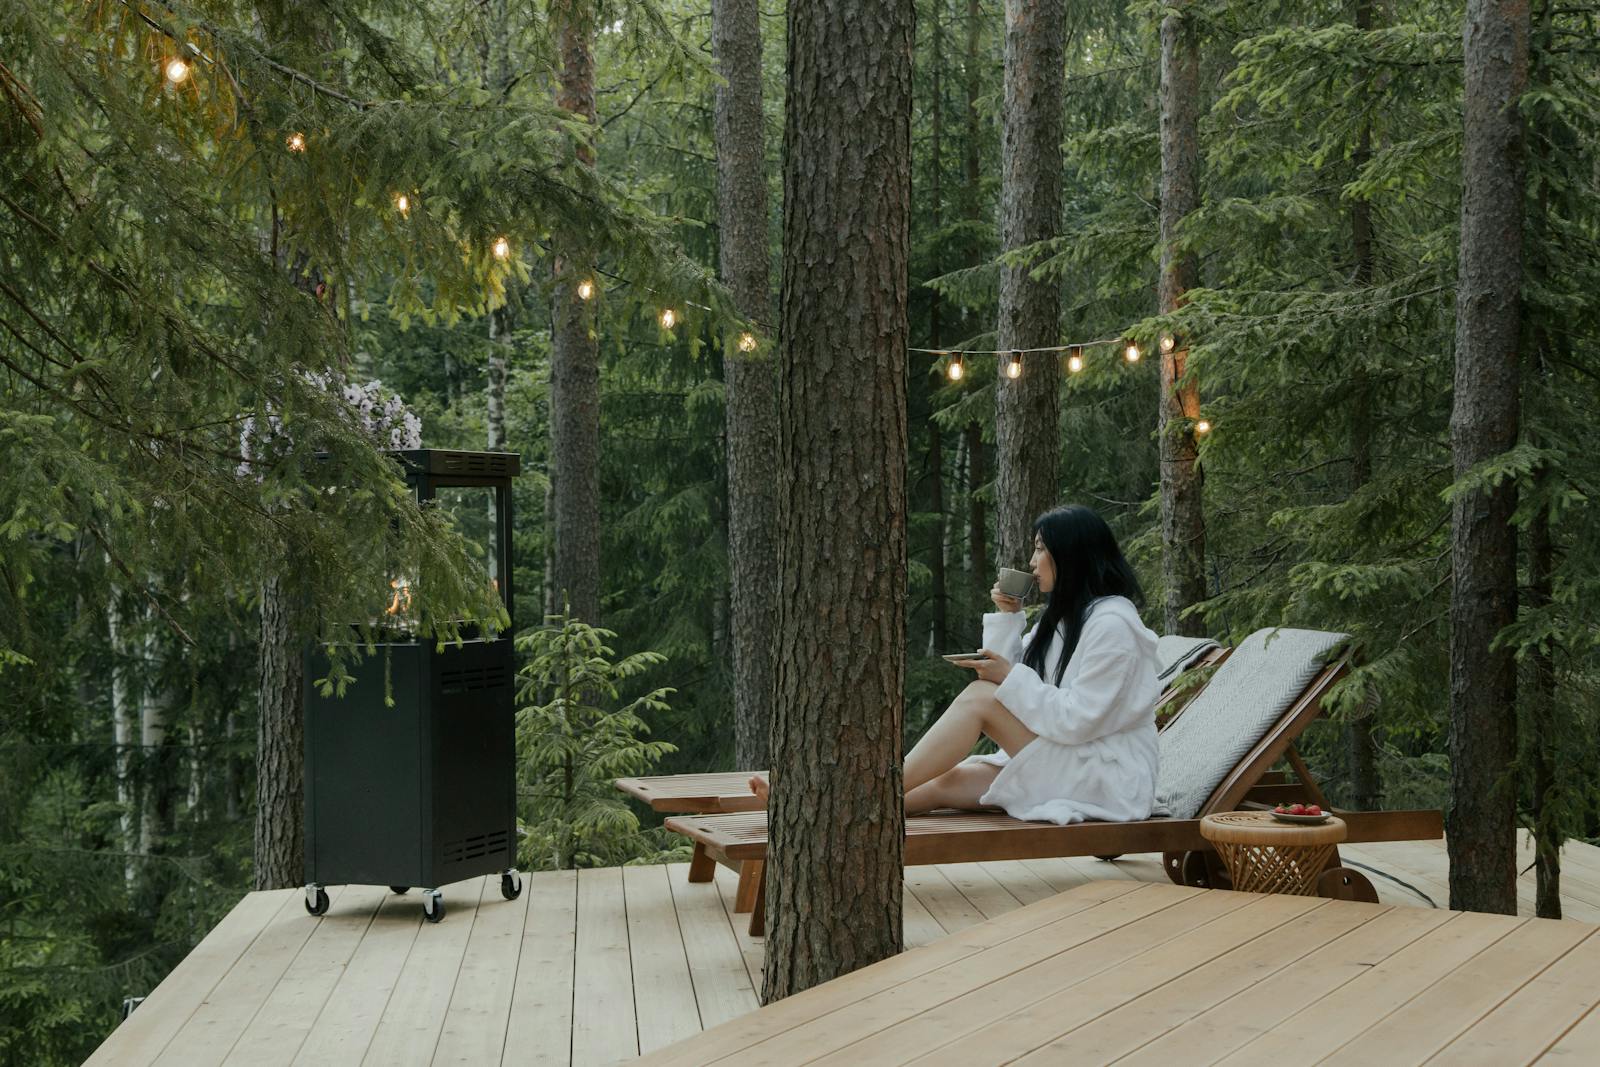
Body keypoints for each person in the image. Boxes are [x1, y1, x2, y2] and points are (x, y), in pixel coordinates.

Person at [748, 503, 1161, 823]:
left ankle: (836, 800)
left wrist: (1006, 677)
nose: (1033, 562)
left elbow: (1077, 720)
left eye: (1040, 549)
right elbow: (1015, 674)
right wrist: (1006, 617)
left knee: (981, 699)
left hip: (1105, 778)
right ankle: (827, 813)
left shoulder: (1113, 626)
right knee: (946, 782)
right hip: (1071, 760)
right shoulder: (1069, 618)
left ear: (1070, 555)